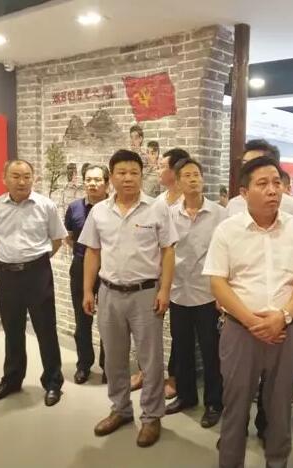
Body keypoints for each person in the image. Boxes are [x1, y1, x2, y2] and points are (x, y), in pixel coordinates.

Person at [203, 156, 293, 468]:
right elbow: (217, 282)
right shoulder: (228, 230)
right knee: (235, 404)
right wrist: (251, 320)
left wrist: (284, 315)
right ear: (244, 192)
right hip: (240, 331)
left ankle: (277, 461)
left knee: (280, 406)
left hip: (286, 330)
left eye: (277, 183)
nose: (272, 190)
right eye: (263, 183)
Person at [79, 149, 178, 448]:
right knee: (114, 358)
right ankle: (120, 409)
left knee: (150, 360)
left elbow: (168, 251)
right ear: (112, 177)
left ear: (141, 175)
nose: (128, 178)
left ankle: (152, 416)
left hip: (145, 294)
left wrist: (164, 290)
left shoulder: (157, 208)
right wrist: (88, 290)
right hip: (109, 293)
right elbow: (92, 252)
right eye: (121, 172)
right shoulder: (99, 211)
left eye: (134, 172)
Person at [0, 159, 67, 407]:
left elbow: (57, 239)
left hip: (37, 273)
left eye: (27, 176)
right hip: (7, 275)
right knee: (12, 329)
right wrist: (9, 257)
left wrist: (35, 261)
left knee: (45, 329)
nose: (22, 181)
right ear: (4, 179)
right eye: (16, 176)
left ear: (33, 178)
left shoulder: (46, 205)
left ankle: (53, 382)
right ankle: (12, 379)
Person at [164, 158, 225, 429]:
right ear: (178, 182)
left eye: (196, 175)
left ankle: (214, 402)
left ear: (203, 179)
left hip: (209, 294)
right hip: (178, 292)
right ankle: (186, 396)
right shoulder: (169, 214)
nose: (193, 179)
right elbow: (164, 251)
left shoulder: (219, 214)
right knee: (182, 349)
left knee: (212, 352)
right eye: (187, 175)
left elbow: (227, 254)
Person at [65, 164, 109, 384]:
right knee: (82, 320)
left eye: (97, 179)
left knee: (109, 321)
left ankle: (108, 366)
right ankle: (84, 364)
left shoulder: (114, 207)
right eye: (89, 179)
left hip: (110, 269)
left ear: (107, 183)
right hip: (81, 267)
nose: (92, 184)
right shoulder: (74, 208)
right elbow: (69, 237)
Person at [155, 147, 191, 399]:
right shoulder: (158, 201)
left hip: (184, 278)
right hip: (154, 275)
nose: (158, 170)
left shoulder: (188, 203)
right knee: (150, 327)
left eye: (161, 166)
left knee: (179, 333)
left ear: (174, 171)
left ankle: (175, 376)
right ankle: (149, 373)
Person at [226, 139, 293, 219]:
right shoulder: (233, 205)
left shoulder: (291, 207)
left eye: (255, 164)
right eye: (245, 163)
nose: (248, 169)